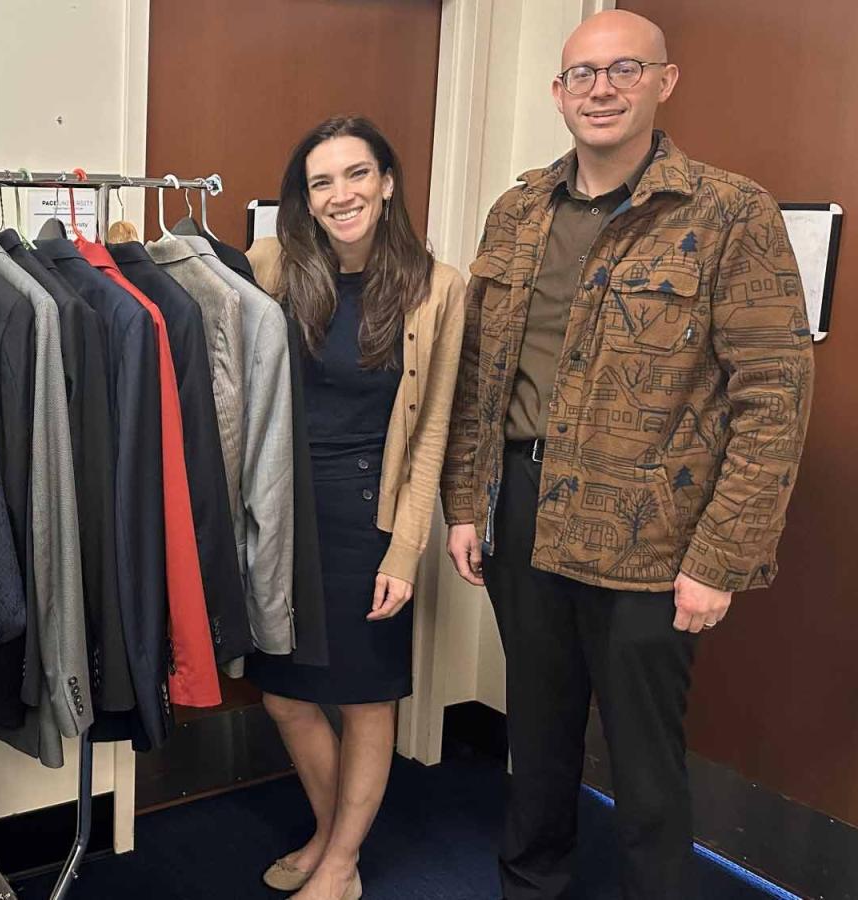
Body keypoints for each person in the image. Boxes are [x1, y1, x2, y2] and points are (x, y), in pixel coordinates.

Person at [442, 10, 814, 898]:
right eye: (583, 73)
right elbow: (481, 373)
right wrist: (465, 502)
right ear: (558, 91)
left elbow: (774, 399)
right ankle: (531, 886)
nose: (601, 89)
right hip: (522, 511)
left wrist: (719, 558)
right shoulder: (518, 211)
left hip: (653, 537)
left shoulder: (730, 213)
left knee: (645, 764)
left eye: (624, 70)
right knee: (537, 739)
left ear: (664, 82)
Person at [245, 116, 466, 899]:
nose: (342, 194)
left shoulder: (438, 287)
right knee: (283, 693)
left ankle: (340, 864)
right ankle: (330, 831)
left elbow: (433, 428)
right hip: (282, 508)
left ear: (388, 182)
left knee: (367, 698)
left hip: (369, 514)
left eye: (357, 173)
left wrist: (405, 551)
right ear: (305, 199)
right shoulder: (269, 265)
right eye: (322, 182)